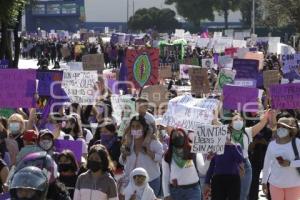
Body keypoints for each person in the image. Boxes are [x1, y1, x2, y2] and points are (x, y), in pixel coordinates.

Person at [222, 112, 269, 200]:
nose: (239, 121)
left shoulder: (247, 131)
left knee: (243, 195)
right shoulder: (224, 133)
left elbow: (262, 123)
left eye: (241, 120)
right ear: (230, 123)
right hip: (230, 166)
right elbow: (214, 123)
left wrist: (265, 116)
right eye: (236, 119)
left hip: (245, 165)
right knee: (230, 195)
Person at [120, 115, 163, 197]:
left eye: (138, 126)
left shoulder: (153, 142)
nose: (135, 129)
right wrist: (124, 154)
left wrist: (148, 151)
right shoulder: (128, 142)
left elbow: (161, 158)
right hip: (132, 183)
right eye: (133, 127)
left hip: (151, 181)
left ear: (144, 128)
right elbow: (122, 161)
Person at [162, 128, 210, 200]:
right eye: (175, 136)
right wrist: (166, 194)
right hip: (176, 192)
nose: (177, 137)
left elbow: (202, 170)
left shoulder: (194, 151)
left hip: (193, 191)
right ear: (171, 139)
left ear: (185, 137)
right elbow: (165, 176)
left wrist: (208, 160)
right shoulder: (168, 155)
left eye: (180, 135)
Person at [262, 117, 300, 200]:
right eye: (278, 127)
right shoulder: (272, 145)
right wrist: (264, 182)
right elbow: (267, 164)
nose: (280, 129)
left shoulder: (297, 142)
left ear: (290, 129)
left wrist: (290, 163)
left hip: (294, 184)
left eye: (284, 127)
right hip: (275, 184)